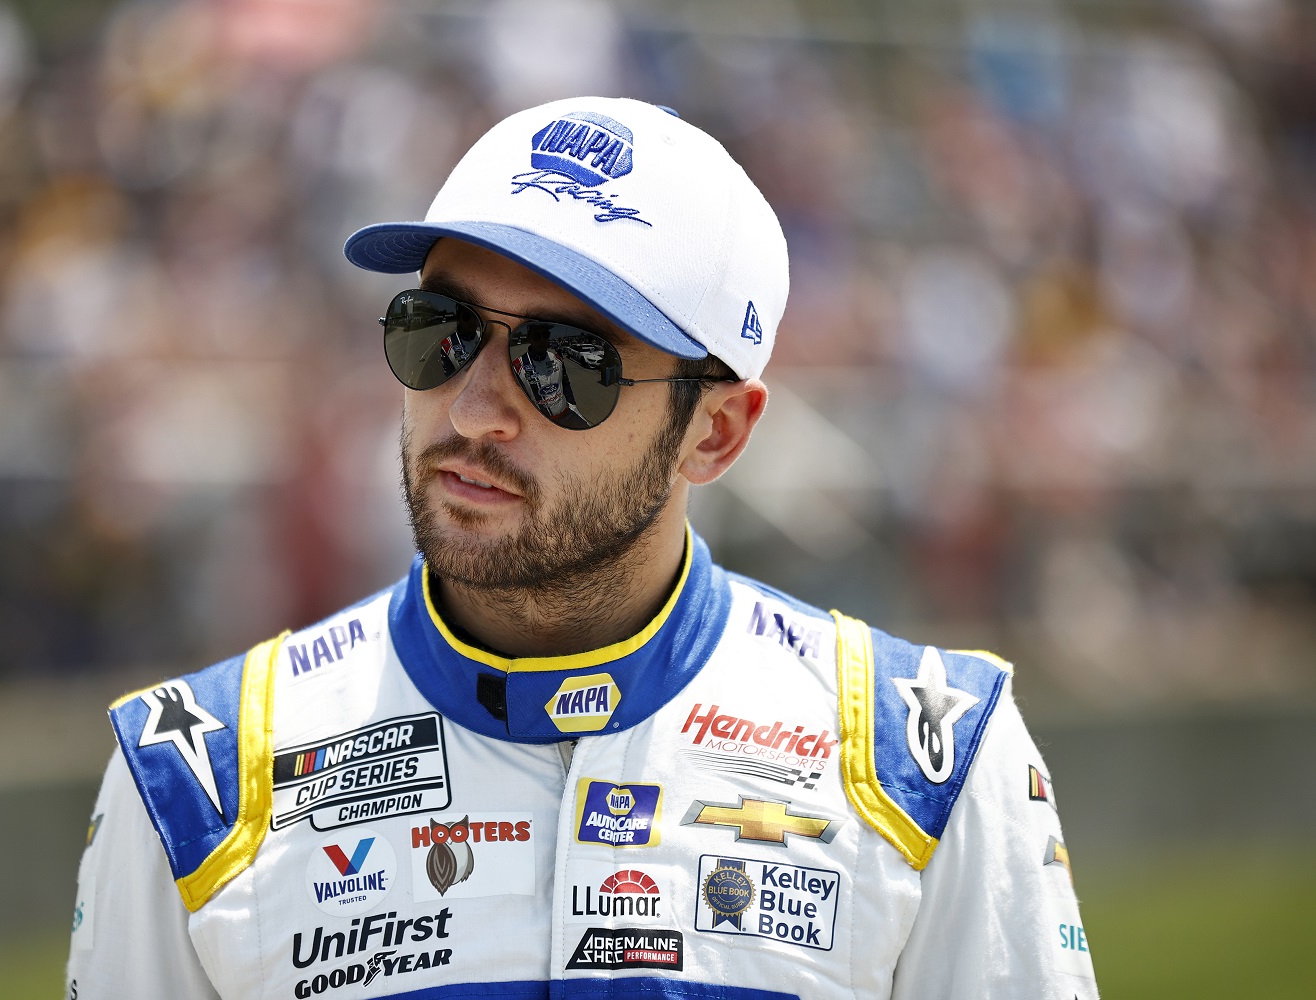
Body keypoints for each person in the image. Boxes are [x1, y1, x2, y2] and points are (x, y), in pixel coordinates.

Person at [66, 97, 1098, 1000]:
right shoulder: (194, 781)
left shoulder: (928, 765)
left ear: (718, 431)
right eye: (441, 328)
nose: (474, 407)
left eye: (568, 363)